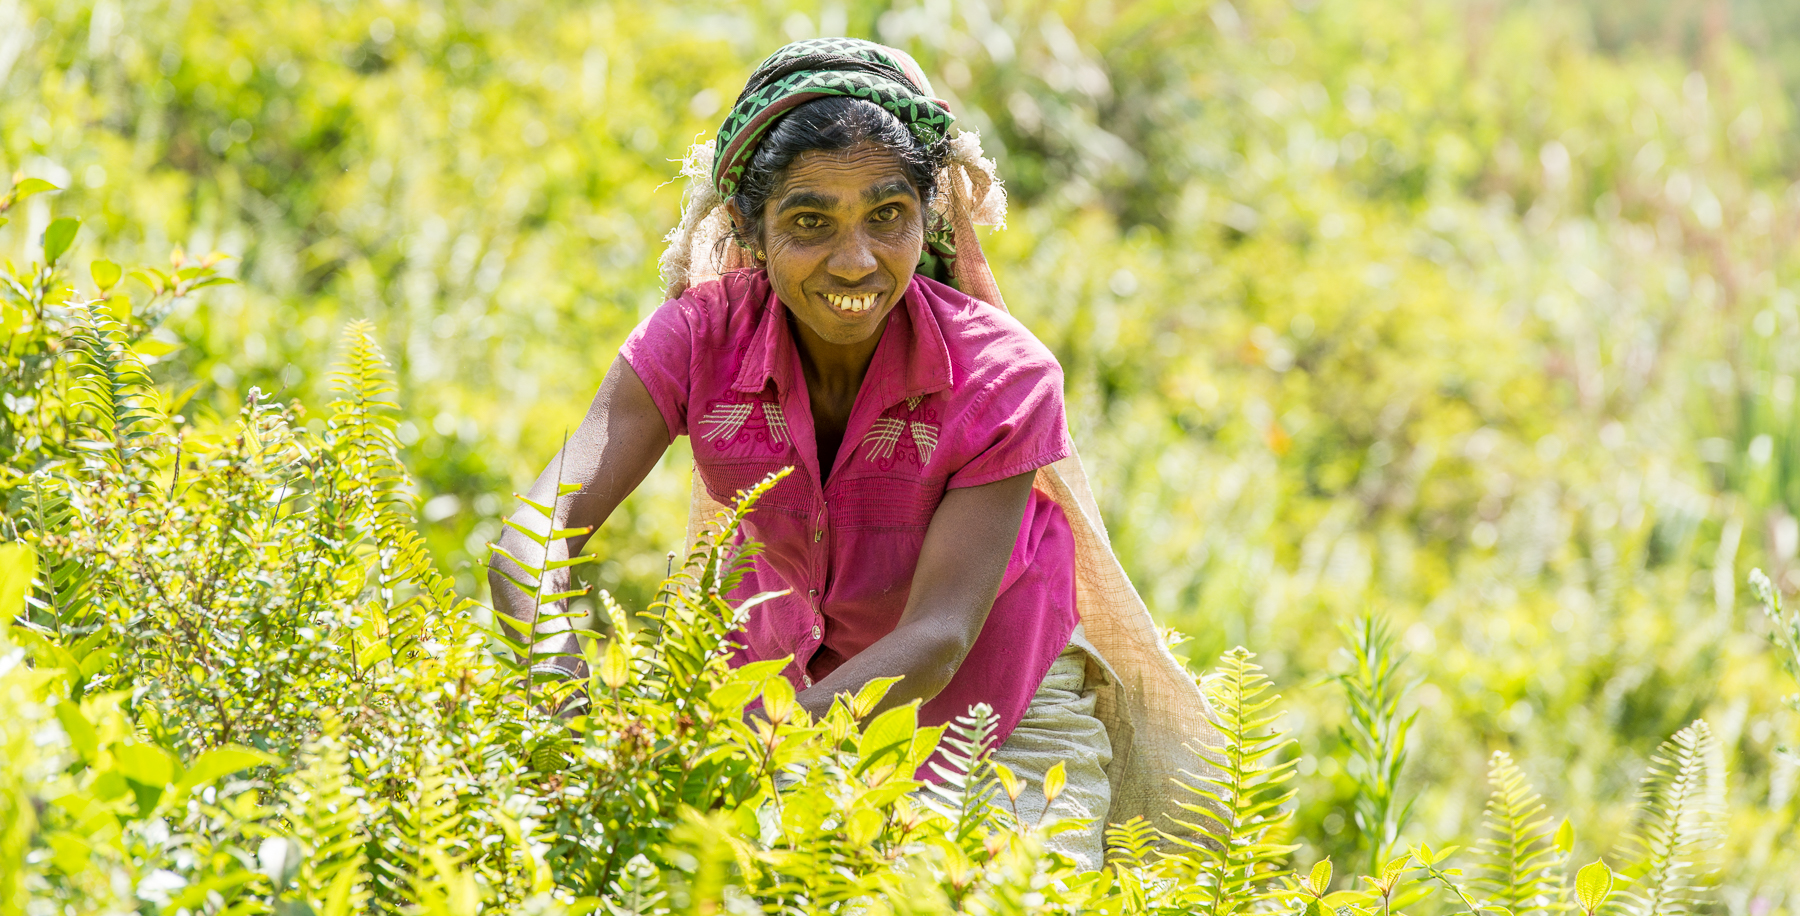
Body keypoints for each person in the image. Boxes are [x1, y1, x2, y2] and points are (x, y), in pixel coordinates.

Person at [488, 38, 1222, 871]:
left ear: (926, 218)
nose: (855, 260)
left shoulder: (1000, 379)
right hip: (783, 696)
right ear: (750, 233)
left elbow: (941, 634)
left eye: (887, 216)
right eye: (809, 222)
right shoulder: (700, 339)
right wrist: (567, 701)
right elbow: (532, 536)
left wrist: (749, 768)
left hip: (994, 717)